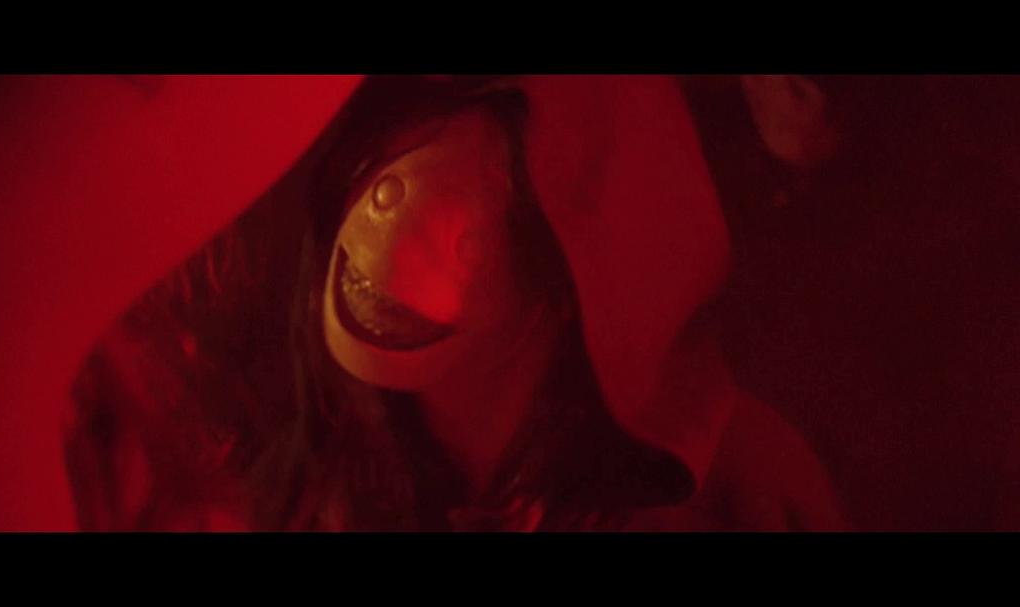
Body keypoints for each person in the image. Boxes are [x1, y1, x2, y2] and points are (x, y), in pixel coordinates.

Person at [65, 75, 847, 531]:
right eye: (402, 166)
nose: (389, 216)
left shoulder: (736, 488)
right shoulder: (320, 459)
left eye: (485, 229)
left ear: (576, 292)